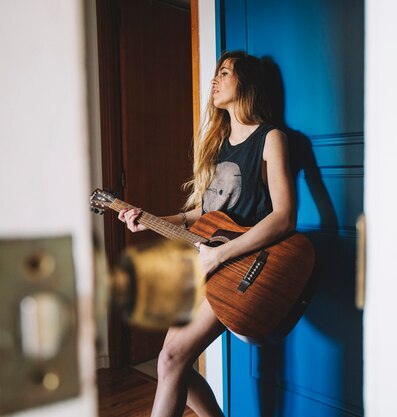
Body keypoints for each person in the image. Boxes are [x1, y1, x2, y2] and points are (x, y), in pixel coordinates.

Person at [118, 50, 296, 417]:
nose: (214, 81)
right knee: (171, 360)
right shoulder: (216, 146)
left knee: (169, 358)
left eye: (224, 73)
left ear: (244, 84)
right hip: (208, 263)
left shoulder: (270, 138)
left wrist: (219, 255)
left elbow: (284, 217)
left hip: (243, 269)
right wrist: (147, 217)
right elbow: (204, 215)